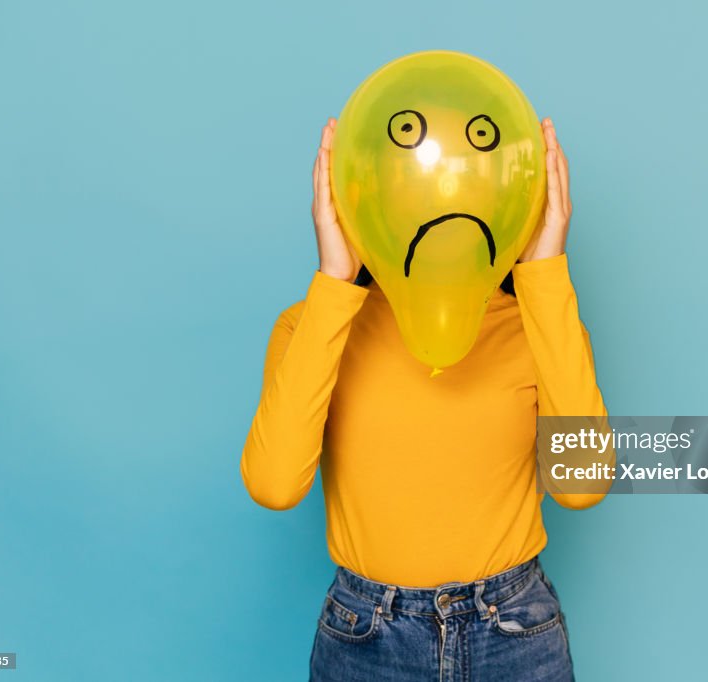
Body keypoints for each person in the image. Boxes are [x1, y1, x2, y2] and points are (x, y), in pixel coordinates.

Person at [241, 116, 611, 681]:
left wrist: (545, 275)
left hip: (514, 633)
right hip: (366, 638)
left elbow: (582, 484)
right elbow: (273, 484)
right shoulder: (312, 326)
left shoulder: (538, 325)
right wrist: (335, 280)